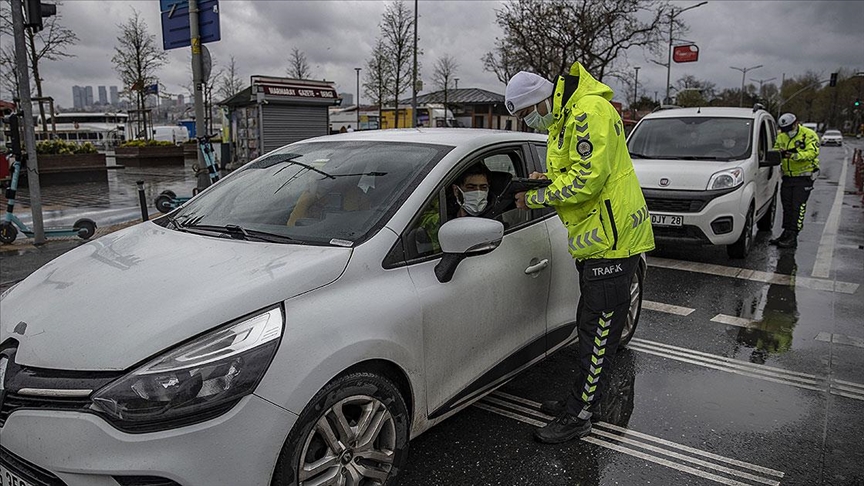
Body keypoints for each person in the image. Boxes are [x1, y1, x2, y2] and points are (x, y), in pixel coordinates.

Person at [505, 62, 654, 444]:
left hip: (612, 239)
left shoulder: (588, 110)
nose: (528, 124)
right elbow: (579, 168)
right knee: (591, 325)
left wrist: (537, 197)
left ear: (541, 100)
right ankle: (584, 400)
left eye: (525, 115)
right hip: (601, 237)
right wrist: (548, 179)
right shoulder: (568, 114)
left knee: (598, 330)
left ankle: (580, 415)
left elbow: (588, 180)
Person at [769, 113, 820, 249]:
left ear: (795, 123)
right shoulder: (782, 136)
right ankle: (786, 232)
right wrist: (778, 153)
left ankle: (793, 236)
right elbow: (775, 150)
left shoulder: (808, 135)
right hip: (787, 177)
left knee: (798, 207)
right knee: (787, 206)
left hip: (804, 177)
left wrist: (794, 155)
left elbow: (812, 153)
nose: (786, 132)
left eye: (788, 128)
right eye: (784, 129)